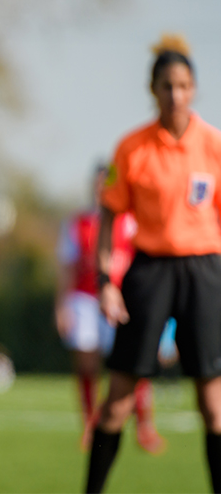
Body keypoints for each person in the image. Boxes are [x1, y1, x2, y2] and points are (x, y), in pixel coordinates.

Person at [85, 35, 221, 493]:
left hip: (204, 273)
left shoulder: (214, 145)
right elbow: (108, 218)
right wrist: (106, 281)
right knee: (118, 403)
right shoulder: (132, 148)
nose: (175, 95)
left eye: (183, 85)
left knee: (214, 406)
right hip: (150, 273)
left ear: (194, 88)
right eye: (167, 86)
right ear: (153, 89)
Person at [56, 165, 165, 454]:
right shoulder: (77, 223)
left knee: (133, 363)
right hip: (84, 300)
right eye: (98, 184)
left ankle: (144, 425)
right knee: (87, 364)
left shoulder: (131, 221)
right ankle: (90, 425)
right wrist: (62, 305)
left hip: (122, 299)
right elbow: (66, 268)